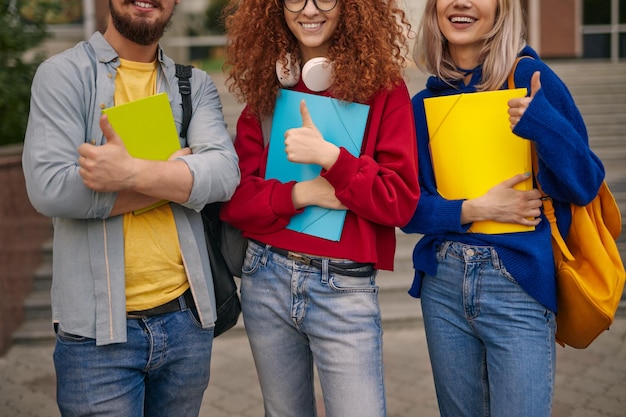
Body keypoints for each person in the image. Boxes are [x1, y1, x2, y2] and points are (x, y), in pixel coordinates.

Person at [21, 0, 239, 415]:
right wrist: (175, 175)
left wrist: (129, 173)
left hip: (187, 321)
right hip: (96, 336)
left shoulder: (193, 84)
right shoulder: (63, 75)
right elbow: (50, 189)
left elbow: (224, 175)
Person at [401, 0, 605, 416]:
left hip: (517, 283)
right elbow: (407, 208)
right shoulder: (424, 102)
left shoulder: (532, 78)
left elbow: (585, 183)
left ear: (501, 8)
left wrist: (541, 123)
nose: (461, 3)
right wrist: (472, 209)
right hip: (443, 285)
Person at [220, 0, 420, 415]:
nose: (309, 10)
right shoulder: (267, 86)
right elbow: (235, 201)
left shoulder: (386, 89)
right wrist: (303, 193)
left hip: (342, 288)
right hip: (266, 276)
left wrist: (334, 160)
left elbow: (400, 202)